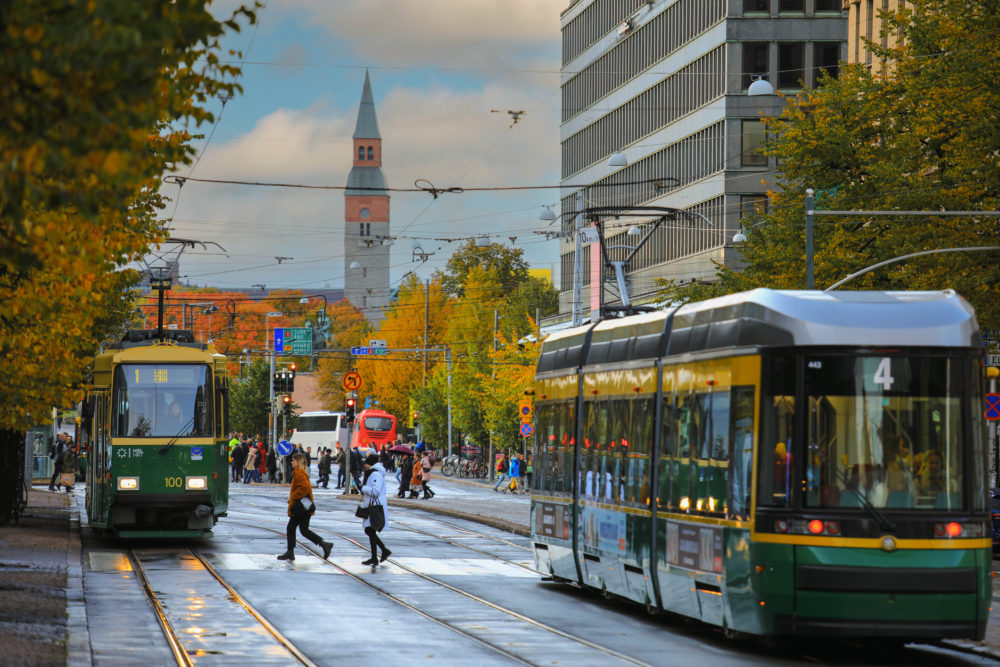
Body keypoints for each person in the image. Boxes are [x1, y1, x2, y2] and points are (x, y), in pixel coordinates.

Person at [277, 453, 332, 561]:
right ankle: (324, 544)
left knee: (291, 527)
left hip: (301, 507)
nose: (291, 462)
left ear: (298, 462)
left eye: (293, 460)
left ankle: (290, 552)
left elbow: (304, 488)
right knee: (304, 530)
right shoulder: (301, 472)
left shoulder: (298, 473)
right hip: (305, 507)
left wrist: (294, 497)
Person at [360, 453, 390, 565]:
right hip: (372, 505)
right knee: (369, 530)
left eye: (366, 464)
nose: (365, 466)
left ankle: (379, 554)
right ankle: (380, 553)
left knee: (369, 530)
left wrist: (363, 488)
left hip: (374, 506)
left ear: (370, 464)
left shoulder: (375, 474)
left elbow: (375, 491)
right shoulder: (374, 473)